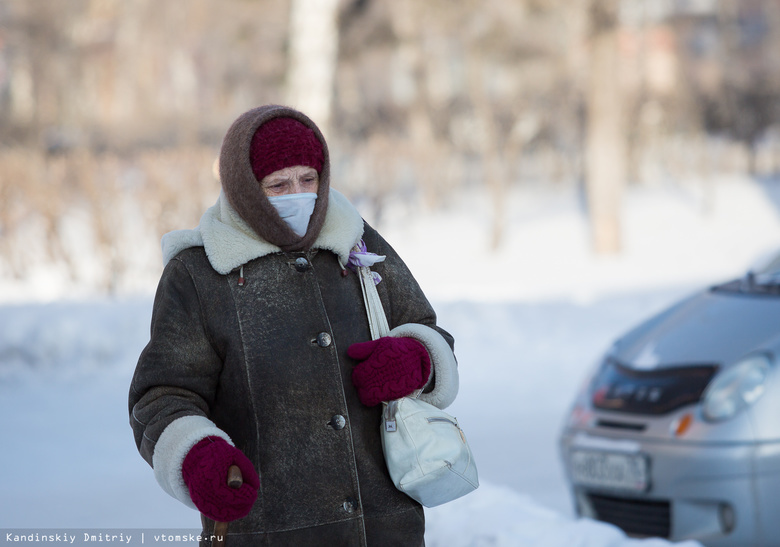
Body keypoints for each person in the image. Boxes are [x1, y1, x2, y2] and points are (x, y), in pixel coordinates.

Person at [128, 104, 459, 546]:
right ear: (245, 188)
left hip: (384, 527)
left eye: (308, 180)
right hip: (268, 531)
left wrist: (418, 358)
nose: (297, 195)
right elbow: (162, 395)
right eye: (278, 185)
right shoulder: (199, 273)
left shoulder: (356, 242)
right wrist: (196, 456)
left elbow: (425, 327)